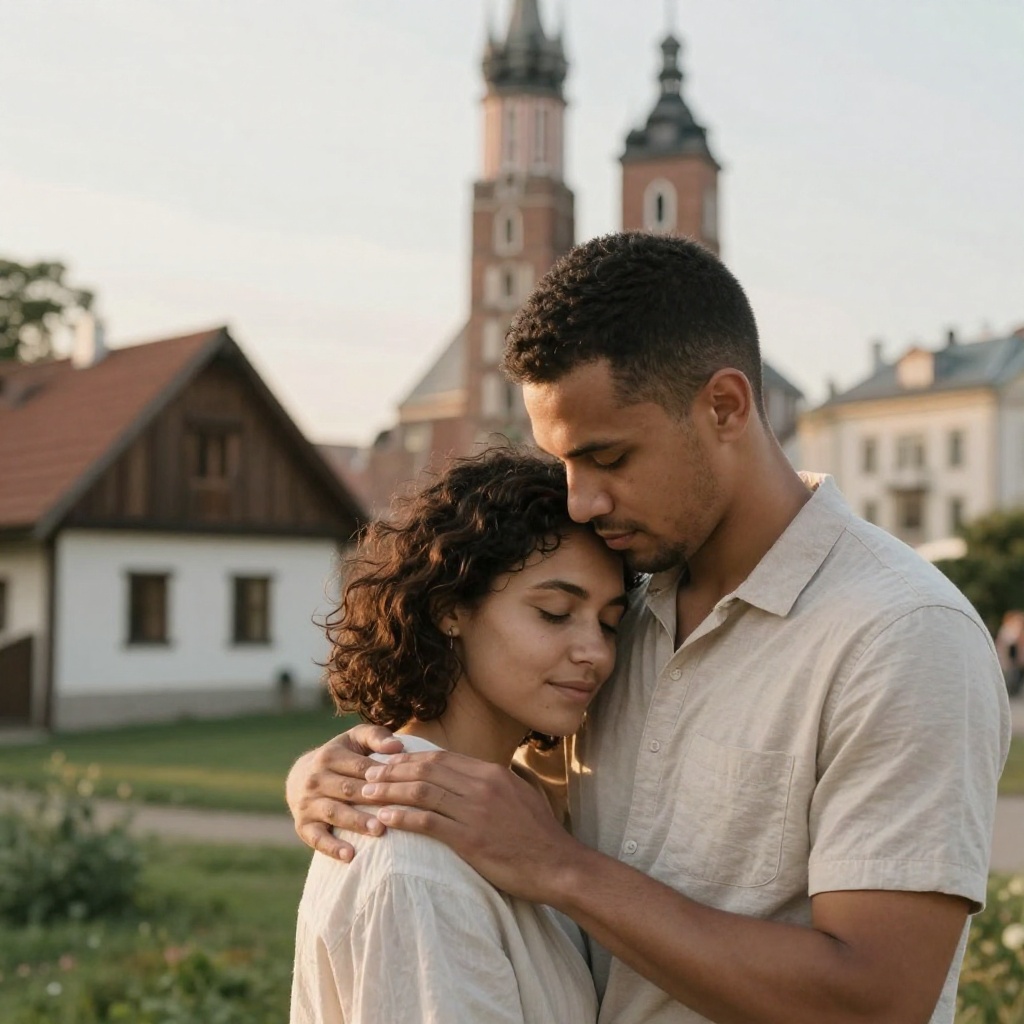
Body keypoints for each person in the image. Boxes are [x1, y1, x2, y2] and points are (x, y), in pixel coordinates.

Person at [287, 233, 1011, 1024]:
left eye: (608, 457)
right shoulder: (621, 612)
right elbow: (490, 783)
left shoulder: (901, 636)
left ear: (726, 406)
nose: (580, 501)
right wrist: (347, 774)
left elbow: (877, 1001)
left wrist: (562, 870)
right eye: (563, 463)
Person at [289, 446, 629, 1024]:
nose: (594, 652)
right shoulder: (414, 859)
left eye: (609, 623)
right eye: (553, 612)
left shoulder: (514, 811)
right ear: (451, 609)